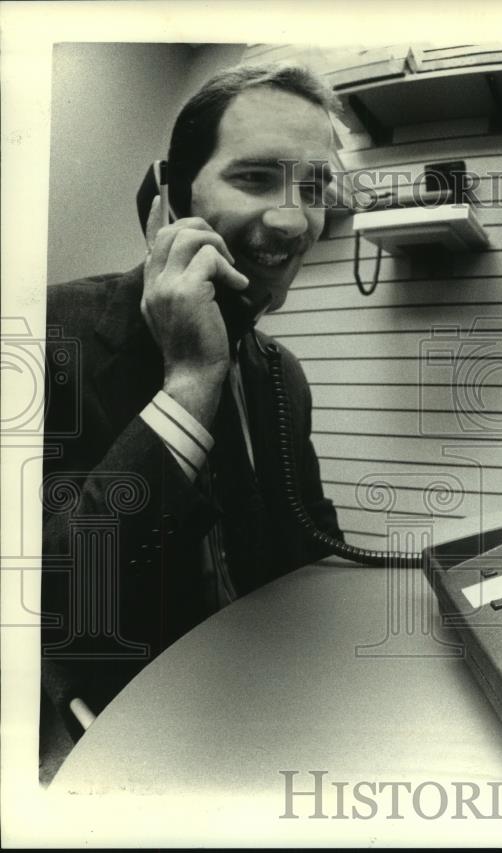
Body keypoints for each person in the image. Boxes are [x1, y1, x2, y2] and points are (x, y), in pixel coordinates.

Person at [41, 64, 345, 749]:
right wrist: (189, 383)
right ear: (172, 194)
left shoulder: (281, 376)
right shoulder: (49, 336)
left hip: (273, 711)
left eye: (316, 187)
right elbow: (55, 601)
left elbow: (314, 544)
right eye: (256, 177)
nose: (296, 220)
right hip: (118, 735)